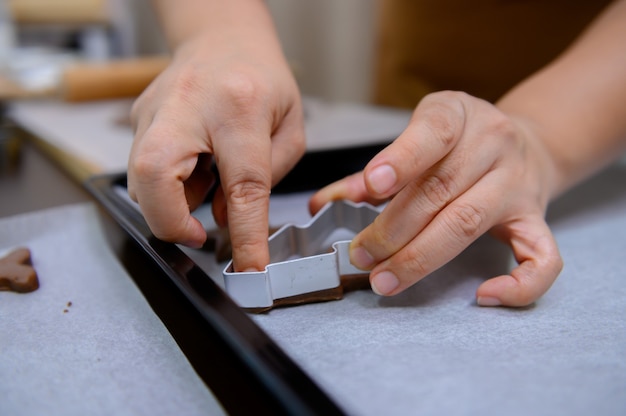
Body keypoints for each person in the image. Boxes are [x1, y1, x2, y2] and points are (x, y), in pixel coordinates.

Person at [127, 0, 626, 307]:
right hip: (412, 116)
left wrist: (539, 138)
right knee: (397, 169)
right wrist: (222, 33)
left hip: (595, 110)